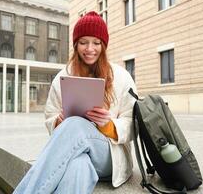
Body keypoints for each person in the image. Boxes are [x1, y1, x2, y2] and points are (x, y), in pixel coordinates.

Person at [13, 11, 137, 194]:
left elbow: (133, 122)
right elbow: (50, 115)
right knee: (78, 167)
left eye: (96, 43)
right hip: (76, 151)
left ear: (104, 45)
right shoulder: (63, 76)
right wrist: (58, 121)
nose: (90, 49)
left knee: (75, 126)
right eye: (83, 42)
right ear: (76, 44)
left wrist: (108, 125)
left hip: (110, 155)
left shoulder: (121, 76)